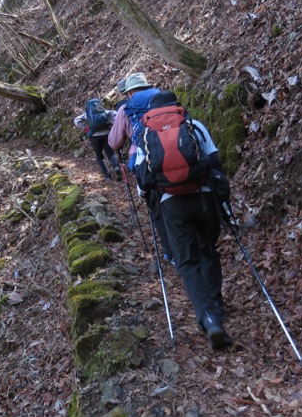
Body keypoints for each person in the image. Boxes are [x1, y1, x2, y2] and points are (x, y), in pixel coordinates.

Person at [122, 72, 233, 351]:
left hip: (171, 203)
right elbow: (216, 163)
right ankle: (216, 302)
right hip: (205, 198)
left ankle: (208, 316)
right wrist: (223, 200)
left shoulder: (145, 133)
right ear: (177, 106)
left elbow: (143, 181)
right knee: (208, 249)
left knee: (186, 259)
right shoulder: (194, 126)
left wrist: (149, 196)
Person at [109, 72, 174, 263]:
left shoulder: (127, 108)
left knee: (157, 208)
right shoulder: (164, 98)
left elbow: (114, 142)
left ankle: (170, 253)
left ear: (129, 92)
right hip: (175, 151)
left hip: (146, 163)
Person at [74, 100, 121, 181]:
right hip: (107, 134)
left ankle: (107, 176)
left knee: (99, 157)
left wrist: (85, 129)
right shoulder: (105, 111)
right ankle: (116, 167)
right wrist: (112, 125)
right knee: (110, 153)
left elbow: (76, 120)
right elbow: (116, 114)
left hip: (94, 136)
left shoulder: (88, 114)